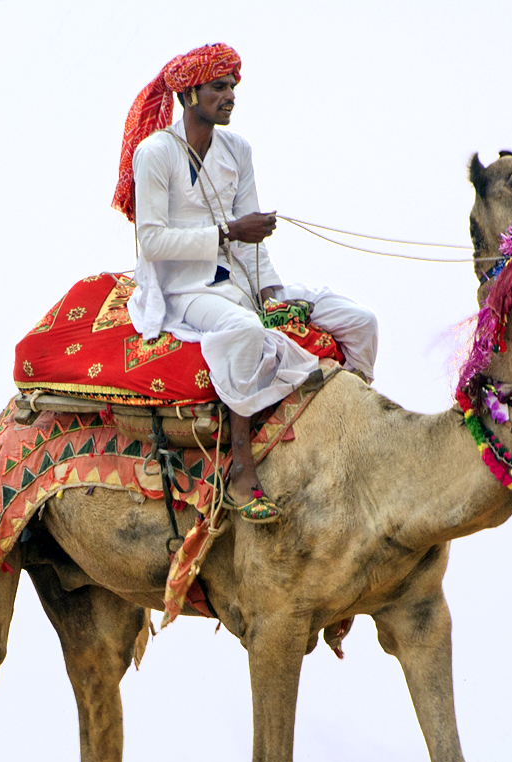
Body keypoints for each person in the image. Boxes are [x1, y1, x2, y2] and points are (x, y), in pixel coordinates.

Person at [113, 43, 378, 523]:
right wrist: (229, 233)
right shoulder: (155, 153)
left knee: (359, 320)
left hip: (241, 283)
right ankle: (240, 469)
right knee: (245, 333)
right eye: (220, 86)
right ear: (190, 93)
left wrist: (272, 294)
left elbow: (251, 237)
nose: (231, 94)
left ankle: (352, 431)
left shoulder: (238, 150)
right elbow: (150, 242)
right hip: (183, 293)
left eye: (234, 85)